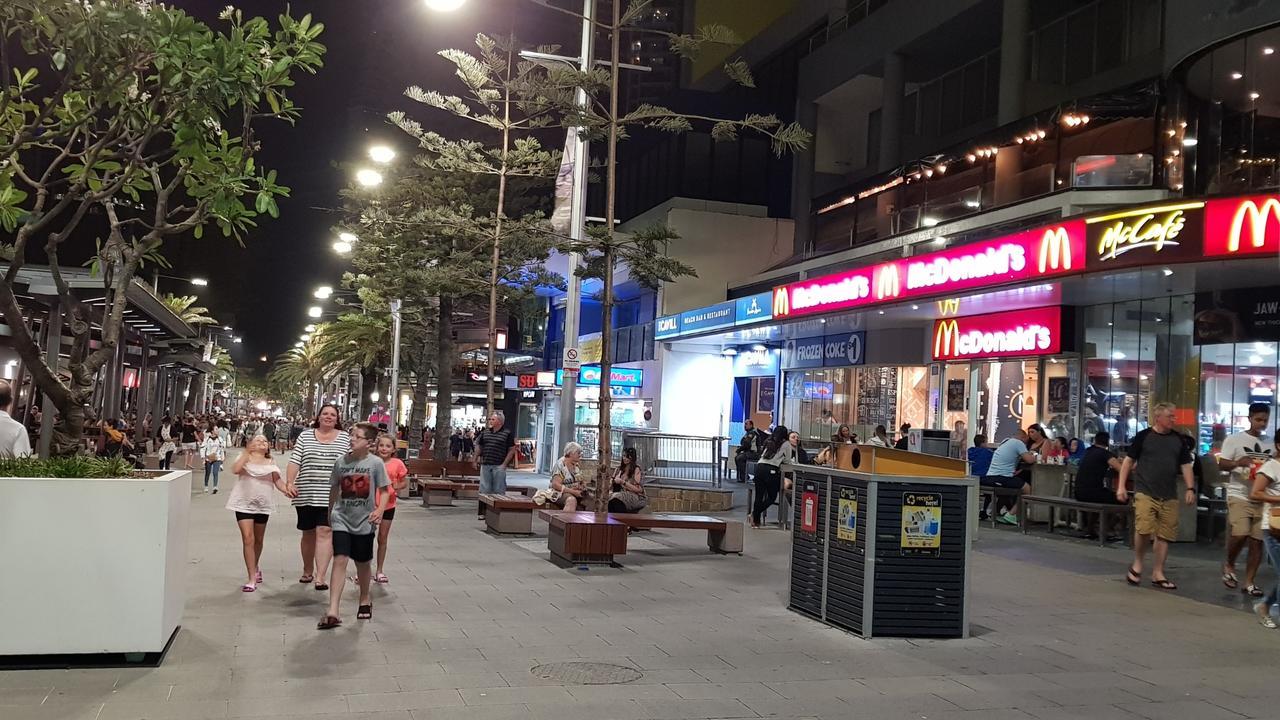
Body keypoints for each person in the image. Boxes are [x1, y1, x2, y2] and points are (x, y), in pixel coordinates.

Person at [318, 422, 390, 630]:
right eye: (351, 436)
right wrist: (330, 513)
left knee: (363, 562)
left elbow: (385, 491)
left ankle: (365, 599)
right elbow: (334, 489)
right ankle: (333, 609)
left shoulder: (375, 464)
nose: (352, 439)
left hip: (365, 521)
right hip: (342, 518)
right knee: (339, 559)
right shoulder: (341, 462)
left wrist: (379, 510)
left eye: (357, 437)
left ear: (369, 443)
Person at [1118, 402, 1196, 590]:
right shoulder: (1143, 437)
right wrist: (1121, 486)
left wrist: (1190, 488)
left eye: (1173, 416)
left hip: (1169, 493)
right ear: (1158, 417)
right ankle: (1138, 562)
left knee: (1165, 534)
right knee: (1143, 528)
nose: (1173, 419)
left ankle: (1158, 572)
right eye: (1170, 416)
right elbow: (1128, 462)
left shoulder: (1178, 440)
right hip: (1145, 491)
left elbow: (1186, 465)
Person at [286, 404, 351, 592]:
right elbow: (295, 460)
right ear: (319, 416)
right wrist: (290, 482)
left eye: (333, 414)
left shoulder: (345, 438)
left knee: (325, 531)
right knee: (308, 533)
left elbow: (352, 463)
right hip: (306, 491)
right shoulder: (305, 435)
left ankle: (321, 576)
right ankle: (307, 569)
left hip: (333, 495)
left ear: (337, 419)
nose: (329, 417)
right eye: (325, 414)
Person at [226, 434, 294, 592]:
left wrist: (288, 490)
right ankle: (251, 578)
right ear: (251, 444)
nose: (262, 442)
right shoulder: (244, 458)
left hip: (263, 505)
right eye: (258, 440)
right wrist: (246, 452)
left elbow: (278, 481)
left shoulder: (271, 461)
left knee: (258, 540)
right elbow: (235, 470)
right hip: (243, 503)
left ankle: (255, 566)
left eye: (265, 440)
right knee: (248, 538)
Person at [1218, 403, 1272, 596]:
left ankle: (1249, 581)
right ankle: (1230, 563)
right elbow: (1222, 464)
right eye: (1258, 419)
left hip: (1262, 497)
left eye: (1265, 420)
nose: (1262, 424)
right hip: (1239, 493)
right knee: (1240, 532)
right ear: (1249, 418)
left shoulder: (1271, 442)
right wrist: (1237, 463)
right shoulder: (1234, 440)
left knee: (1257, 541)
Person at [1248, 436, 1280, 628]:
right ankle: (1265, 607)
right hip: (1275, 528)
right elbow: (1255, 493)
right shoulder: (1271, 466)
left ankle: (1264, 606)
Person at [982, 429, 1039, 525]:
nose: (1026, 443)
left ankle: (996, 512)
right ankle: (1012, 514)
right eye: (1026, 439)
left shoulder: (1005, 441)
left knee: (1013, 485)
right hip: (1001, 477)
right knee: (1028, 489)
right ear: (1023, 437)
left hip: (990, 476)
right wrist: (1035, 456)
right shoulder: (1018, 443)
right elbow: (1030, 460)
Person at [373, 433, 407, 585]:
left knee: (382, 538)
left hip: (388, 506)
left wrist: (395, 486)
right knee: (366, 539)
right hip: (371, 506)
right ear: (376, 447)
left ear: (393, 449)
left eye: (388, 446)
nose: (384, 448)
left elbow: (403, 482)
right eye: (381, 445)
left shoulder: (397, 463)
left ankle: (379, 570)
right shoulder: (371, 462)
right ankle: (363, 571)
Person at [751, 426, 795, 528]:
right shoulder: (786, 444)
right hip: (771, 470)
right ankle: (754, 513)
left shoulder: (768, 440)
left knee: (759, 496)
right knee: (772, 497)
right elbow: (787, 460)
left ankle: (756, 522)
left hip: (759, 468)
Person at [474, 411, 516, 517]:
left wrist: (504, 464)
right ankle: (483, 512)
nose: (490, 421)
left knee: (499, 489)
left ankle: (497, 513)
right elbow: (479, 446)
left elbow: (512, 449)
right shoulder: (485, 432)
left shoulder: (507, 433)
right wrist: (475, 459)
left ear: (500, 421)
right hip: (486, 464)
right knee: (484, 489)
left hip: (499, 465)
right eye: (490, 419)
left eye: (493, 419)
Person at [546, 442, 587, 511]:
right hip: (558, 493)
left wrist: (581, 485)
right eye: (578, 453)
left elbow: (579, 480)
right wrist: (573, 492)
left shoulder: (576, 465)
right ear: (571, 453)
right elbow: (555, 485)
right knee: (571, 500)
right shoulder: (561, 464)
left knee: (591, 501)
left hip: (572, 491)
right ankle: (566, 521)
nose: (580, 455)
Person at [608, 447, 647, 513]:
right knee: (612, 501)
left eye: (628, 457)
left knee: (616, 498)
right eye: (624, 456)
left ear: (632, 458)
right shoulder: (618, 469)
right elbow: (610, 485)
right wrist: (613, 481)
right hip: (619, 494)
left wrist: (622, 482)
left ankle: (622, 520)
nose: (625, 458)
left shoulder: (636, 469)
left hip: (634, 496)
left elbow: (638, 489)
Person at [201, 424, 227, 494]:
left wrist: (222, 458)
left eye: (217, 429)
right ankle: (206, 486)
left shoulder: (220, 439)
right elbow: (203, 448)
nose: (217, 430)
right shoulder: (207, 439)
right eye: (216, 429)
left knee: (215, 472)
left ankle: (215, 486)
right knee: (207, 473)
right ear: (212, 431)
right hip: (208, 458)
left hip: (217, 458)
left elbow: (222, 449)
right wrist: (203, 458)